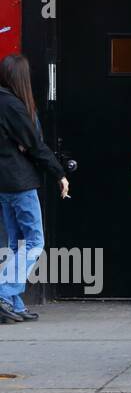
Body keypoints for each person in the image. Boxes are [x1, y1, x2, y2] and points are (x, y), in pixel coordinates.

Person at [0, 54, 69, 323]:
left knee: (17, 243)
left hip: (5, 184)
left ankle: (14, 304)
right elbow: (35, 145)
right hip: (20, 183)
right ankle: (5, 292)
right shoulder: (13, 106)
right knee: (34, 242)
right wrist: (59, 173)